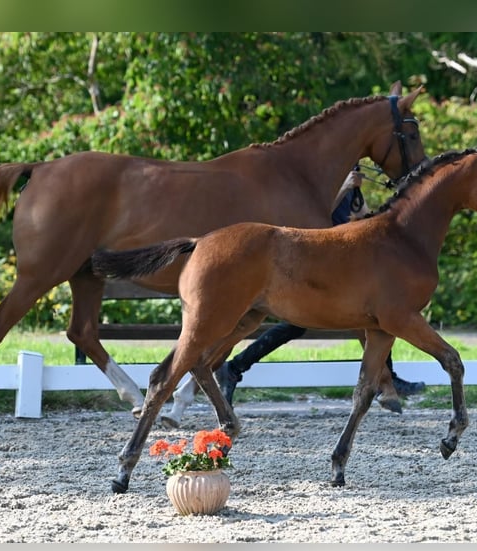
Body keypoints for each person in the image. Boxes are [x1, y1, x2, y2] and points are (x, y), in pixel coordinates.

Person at [160, 170, 425, 429]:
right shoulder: (318, 182)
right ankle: (385, 382)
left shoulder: (350, 184)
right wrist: (344, 188)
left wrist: (362, 214)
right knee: (314, 321)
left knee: (367, 314)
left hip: (341, 264)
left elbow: (360, 219)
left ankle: (385, 380)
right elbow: (310, 221)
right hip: (308, 263)